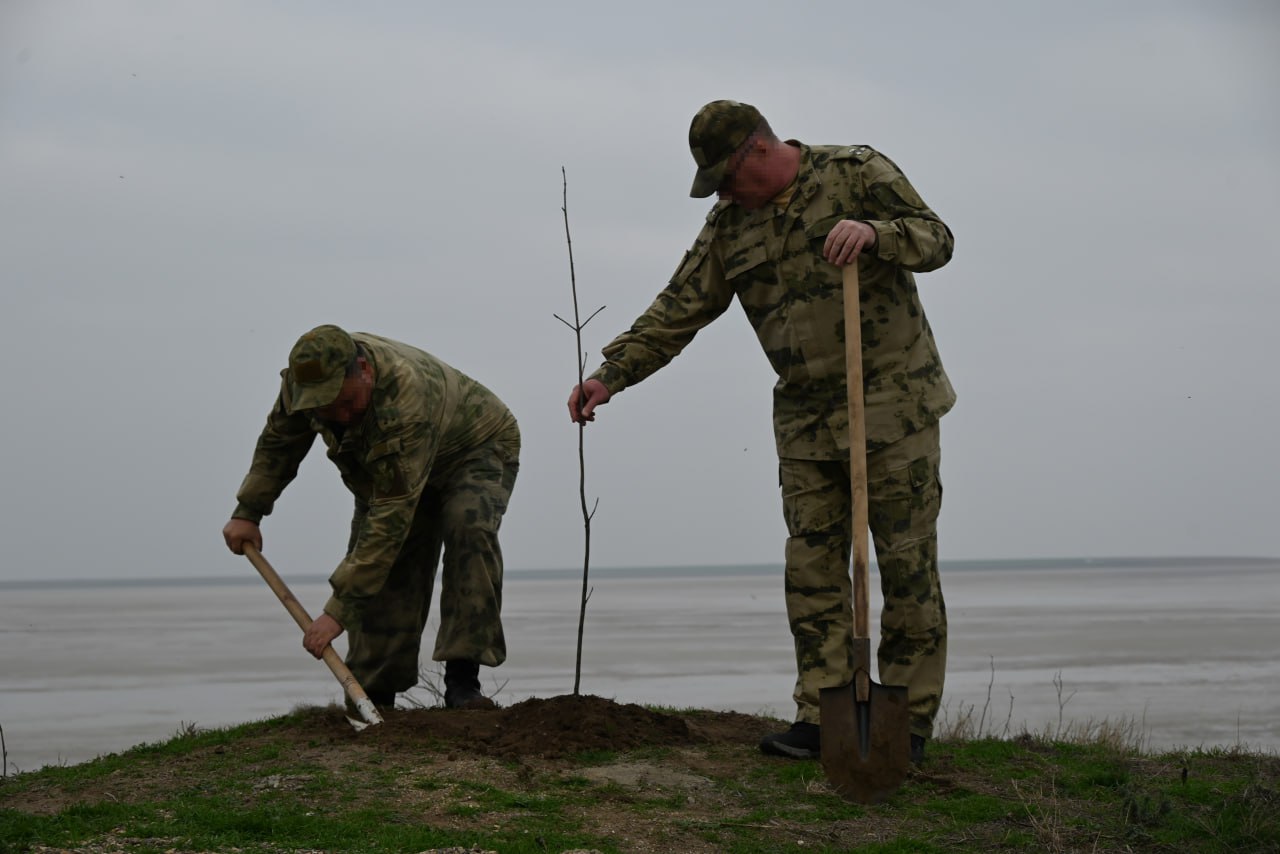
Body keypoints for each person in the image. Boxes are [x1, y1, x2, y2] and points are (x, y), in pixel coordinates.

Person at [567, 101, 955, 762]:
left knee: (906, 569)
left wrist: (876, 233)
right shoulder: (729, 227)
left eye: (725, 177)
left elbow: (936, 239)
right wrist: (612, 374)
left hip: (893, 405)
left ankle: (906, 728)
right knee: (811, 570)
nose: (721, 193)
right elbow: (678, 307)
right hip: (806, 421)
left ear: (756, 151)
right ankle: (822, 714)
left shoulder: (855, 172)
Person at [223, 324, 520, 711]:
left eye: (346, 404)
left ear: (363, 370)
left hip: (474, 447)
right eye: (326, 409)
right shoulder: (302, 389)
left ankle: (464, 682)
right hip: (389, 469)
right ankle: (375, 693)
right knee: (388, 566)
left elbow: (390, 520)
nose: (340, 417)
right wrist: (249, 510)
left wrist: (337, 611)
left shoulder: (405, 395)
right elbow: (279, 443)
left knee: (467, 529)